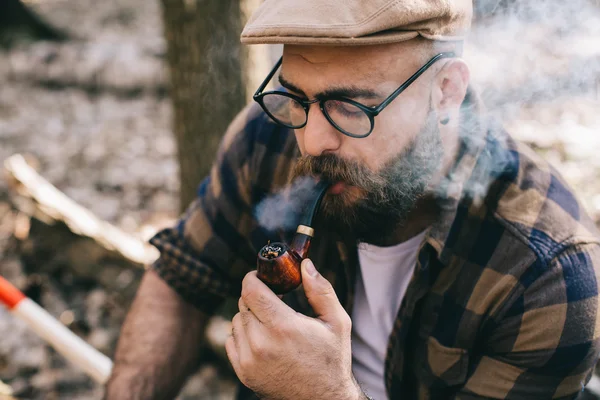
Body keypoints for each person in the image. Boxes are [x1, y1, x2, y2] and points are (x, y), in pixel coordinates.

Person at [104, 0, 600, 399]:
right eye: (297, 98)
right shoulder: (269, 139)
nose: (313, 140)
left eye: (350, 105)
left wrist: (325, 393)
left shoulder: (548, 272)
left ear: (446, 90)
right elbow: (182, 277)